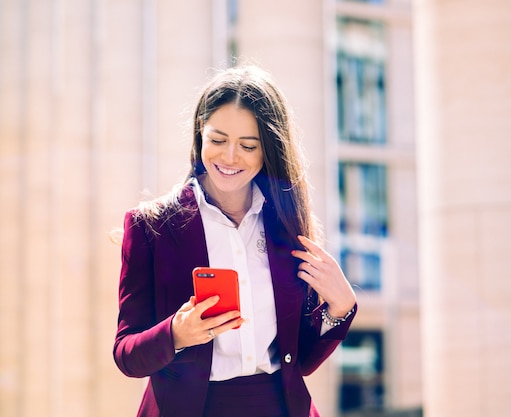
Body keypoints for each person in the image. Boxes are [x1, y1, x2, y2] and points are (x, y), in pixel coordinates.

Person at [113, 65, 358, 417]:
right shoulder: (151, 227)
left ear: (268, 151)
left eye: (247, 145)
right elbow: (127, 354)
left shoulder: (286, 225)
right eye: (217, 140)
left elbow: (299, 362)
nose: (229, 157)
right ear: (200, 134)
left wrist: (340, 308)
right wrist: (176, 333)